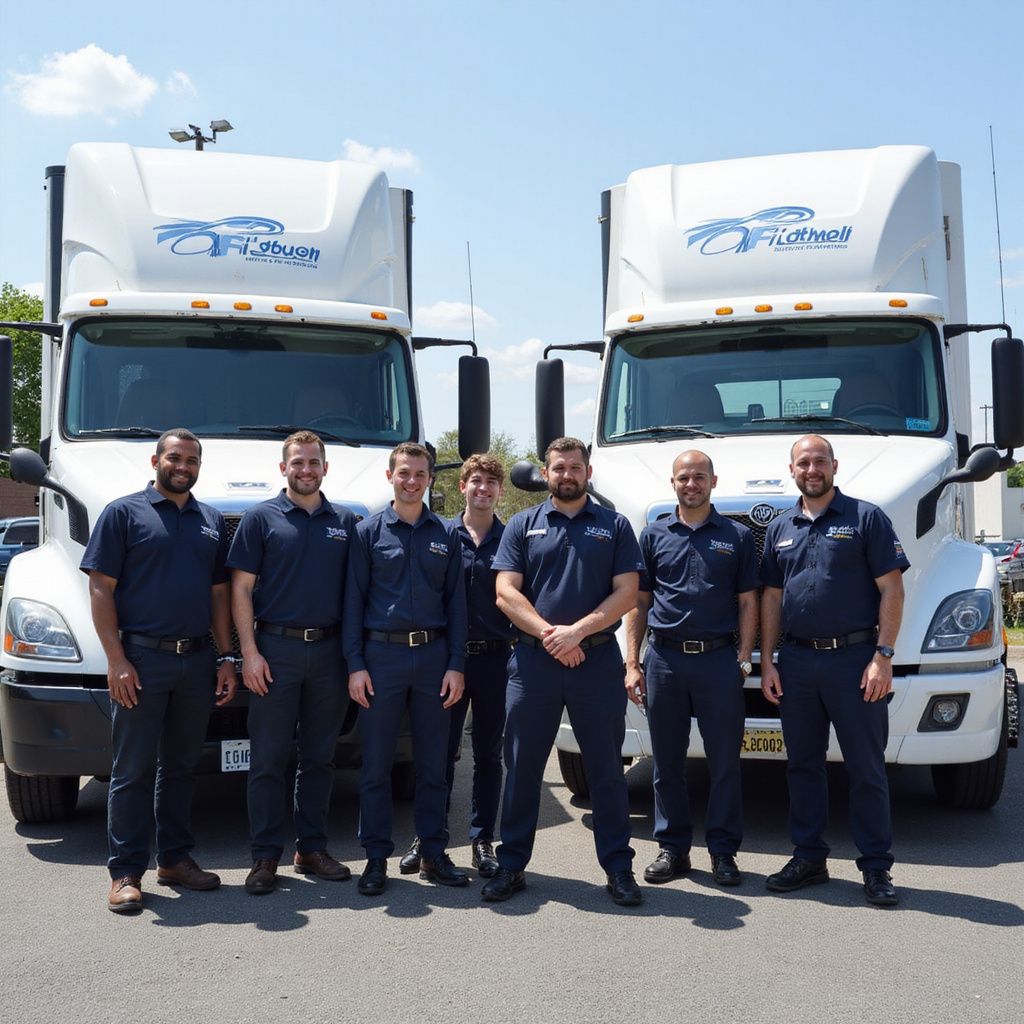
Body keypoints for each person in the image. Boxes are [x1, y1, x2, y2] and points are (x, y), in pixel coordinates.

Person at [483, 437, 645, 907]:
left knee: (606, 772)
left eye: (575, 467)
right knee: (522, 770)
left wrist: (576, 632)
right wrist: (553, 636)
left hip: (594, 662)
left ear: (587, 473)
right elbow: (505, 592)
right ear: (546, 473)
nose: (567, 475)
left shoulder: (614, 526)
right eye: (558, 468)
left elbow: (627, 594)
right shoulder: (522, 525)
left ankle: (618, 869)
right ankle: (511, 865)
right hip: (533, 663)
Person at [82, 429, 237, 913]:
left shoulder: (210, 520)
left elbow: (218, 597)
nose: (182, 465)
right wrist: (116, 660)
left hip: (195, 661)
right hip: (142, 660)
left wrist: (225, 656)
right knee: (132, 770)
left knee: (182, 767)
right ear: (156, 460)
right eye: (174, 457)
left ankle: (175, 859)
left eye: (191, 459)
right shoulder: (123, 513)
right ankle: (126, 871)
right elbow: (101, 589)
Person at [760, 434, 908, 907]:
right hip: (798, 662)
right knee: (803, 765)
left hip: (855, 661)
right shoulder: (779, 527)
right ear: (792, 470)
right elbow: (771, 598)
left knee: (866, 768)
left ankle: (876, 868)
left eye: (818, 460)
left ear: (834, 465)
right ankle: (809, 858)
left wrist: (883, 656)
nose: (811, 469)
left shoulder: (867, 518)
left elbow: (892, 589)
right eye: (803, 462)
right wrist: (767, 659)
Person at [228, 431, 357, 895]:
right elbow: (241, 589)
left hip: (329, 653)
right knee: (267, 759)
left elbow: (356, 593)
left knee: (320, 758)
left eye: (314, 462)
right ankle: (265, 857)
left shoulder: (345, 521)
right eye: (297, 462)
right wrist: (249, 653)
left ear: (325, 468)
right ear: (283, 468)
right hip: (274, 651)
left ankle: (312, 848)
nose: (306, 469)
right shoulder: (260, 519)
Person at [625, 450, 759, 887]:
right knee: (666, 761)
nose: (691, 484)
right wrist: (632, 661)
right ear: (673, 482)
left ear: (713, 482)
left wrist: (744, 658)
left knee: (724, 762)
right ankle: (673, 848)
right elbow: (639, 602)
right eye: (684, 477)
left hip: (719, 660)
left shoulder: (737, 536)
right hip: (663, 659)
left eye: (699, 477)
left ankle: (723, 852)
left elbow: (747, 602)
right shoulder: (653, 535)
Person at [343, 442, 469, 895]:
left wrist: (456, 665)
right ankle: (375, 858)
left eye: (420, 473)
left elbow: (457, 605)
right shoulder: (368, 532)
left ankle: (433, 852)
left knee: (433, 764)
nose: (412, 480)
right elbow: (352, 604)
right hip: (382, 659)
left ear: (431, 478)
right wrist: (355, 665)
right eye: (404, 473)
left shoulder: (447, 534)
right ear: (390, 476)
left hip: (434, 659)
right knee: (376, 765)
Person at [398, 453, 513, 880]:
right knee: (438, 753)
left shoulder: (511, 538)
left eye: (491, 483)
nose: (483, 489)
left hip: (496, 659)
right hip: (445, 660)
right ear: (462, 486)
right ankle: (428, 838)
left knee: (488, 754)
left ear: (500, 490)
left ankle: (483, 841)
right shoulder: (441, 534)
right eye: (475, 481)